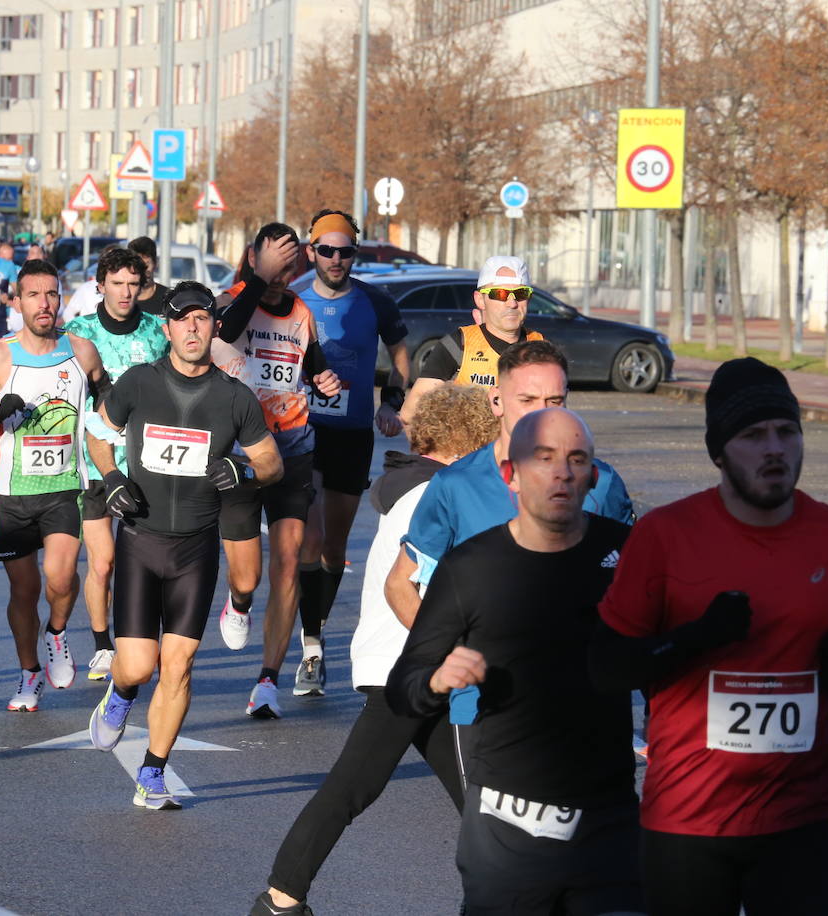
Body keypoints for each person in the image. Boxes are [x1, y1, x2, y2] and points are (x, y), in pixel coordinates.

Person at [591, 358, 828, 916]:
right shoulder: (665, 535)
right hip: (687, 822)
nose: (775, 449)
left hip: (800, 820)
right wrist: (696, 637)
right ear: (719, 452)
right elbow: (607, 665)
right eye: (752, 435)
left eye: (787, 431)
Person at [384, 408, 644, 916]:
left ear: (593, 476)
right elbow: (403, 686)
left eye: (576, 460)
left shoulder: (624, 555)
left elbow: (660, 653)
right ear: (511, 475)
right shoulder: (472, 567)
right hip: (509, 828)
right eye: (543, 459)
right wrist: (436, 680)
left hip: (607, 822)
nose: (561, 473)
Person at [252, 385, 496, 916]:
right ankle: (279, 900)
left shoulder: (422, 487)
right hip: (412, 669)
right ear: (466, 442)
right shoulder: (435, 494)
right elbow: (415, 589)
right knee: (470, 799)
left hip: (409, 666)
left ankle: (280, 901)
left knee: (474, 798)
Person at [383, 340, 634, 802]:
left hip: (590, 704)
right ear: (496, 401)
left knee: (595, 841)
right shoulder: (457, 485)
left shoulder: (601, 483)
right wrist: (445, 653)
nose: (543, 413)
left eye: (555, 400)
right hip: (488, 709)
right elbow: (401, 583)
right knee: (501, 843)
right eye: (528, 400)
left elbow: (639, 587)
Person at [86, 282, 283, 810]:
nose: (192, 328)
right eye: (182, 319)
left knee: (179, 665)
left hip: (195, 549)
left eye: (202, 319)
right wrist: (112, 479)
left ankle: (153, 771)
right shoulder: (138, 382)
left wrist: (242, 469)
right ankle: (121, 694)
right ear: (168, 328)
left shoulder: (235, 397)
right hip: (141, 541)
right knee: (137, 666)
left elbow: (271, 462)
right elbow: (97, 434)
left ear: (215, 326)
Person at [0, 260, 107, 709]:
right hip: (11, 492)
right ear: (16, 302)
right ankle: (29, 672)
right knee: (23, 590)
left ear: (61, 298)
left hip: (64, 486)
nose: (44, 303)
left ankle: (56, 632)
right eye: (34, 295)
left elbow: (106, 395)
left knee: (60, 576)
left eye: (52, 294)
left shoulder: (82, 350)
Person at [207, 224, 344, 718]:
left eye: (290, 266)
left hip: (293, 447)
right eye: (274, 264)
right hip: (242, 452)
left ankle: (268, 680)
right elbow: (223, 333)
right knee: (248, 576)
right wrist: (257, 277)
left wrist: (323, 379)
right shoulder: (232, 302)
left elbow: (312, 367)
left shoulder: (303, 314)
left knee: (289, 562)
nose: (282, 276)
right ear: (254, 258)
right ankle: (240, 601)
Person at [293, 209, 411, 701]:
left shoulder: (374, 301)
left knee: (334, 547)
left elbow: (401, 354)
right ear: (311, 252)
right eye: (327, 250)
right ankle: (310, 647)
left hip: (352, 434)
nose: (336, 259)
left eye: (345, 252)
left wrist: (392, 402)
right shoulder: (293, 298)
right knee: (311, 537)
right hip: (303, 431)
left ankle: (316, 626)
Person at [63, 247, 171, 680]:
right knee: (103, 562)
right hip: (94, 462)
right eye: (117, 284)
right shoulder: (79, 332)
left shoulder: (157, 331)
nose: (126, 292)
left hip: (146, 463)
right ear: (100, 286)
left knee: (144, 563)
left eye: (133, 284)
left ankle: (139, 640)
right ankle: (102, 646)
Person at [400, 254, 546, 420]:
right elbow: (410, 413)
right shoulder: (458, 345)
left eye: (521, 294)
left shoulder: (541, 348)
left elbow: (555, 416)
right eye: (500, 294)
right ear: (480, 300)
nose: (512, 303)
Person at [128, 236, 171, 315]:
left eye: (146, 265)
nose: (142, 271)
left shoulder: (169, 298)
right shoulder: (123, 298)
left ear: (155, 264)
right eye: (138, 265)